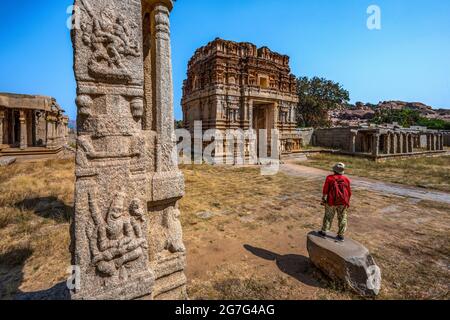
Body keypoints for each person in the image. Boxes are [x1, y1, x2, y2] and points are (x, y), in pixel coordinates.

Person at [319, 163, 352, 242]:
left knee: (328, 216)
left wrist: (323, 198)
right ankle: (341, 235)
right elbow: (349, 192)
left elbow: (325, 190)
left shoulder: (330, 178)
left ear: (334, 170)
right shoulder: (346, 179)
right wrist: (347, 202)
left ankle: (324, 231)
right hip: (343, 202)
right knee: (342, 217)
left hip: (331, 201)